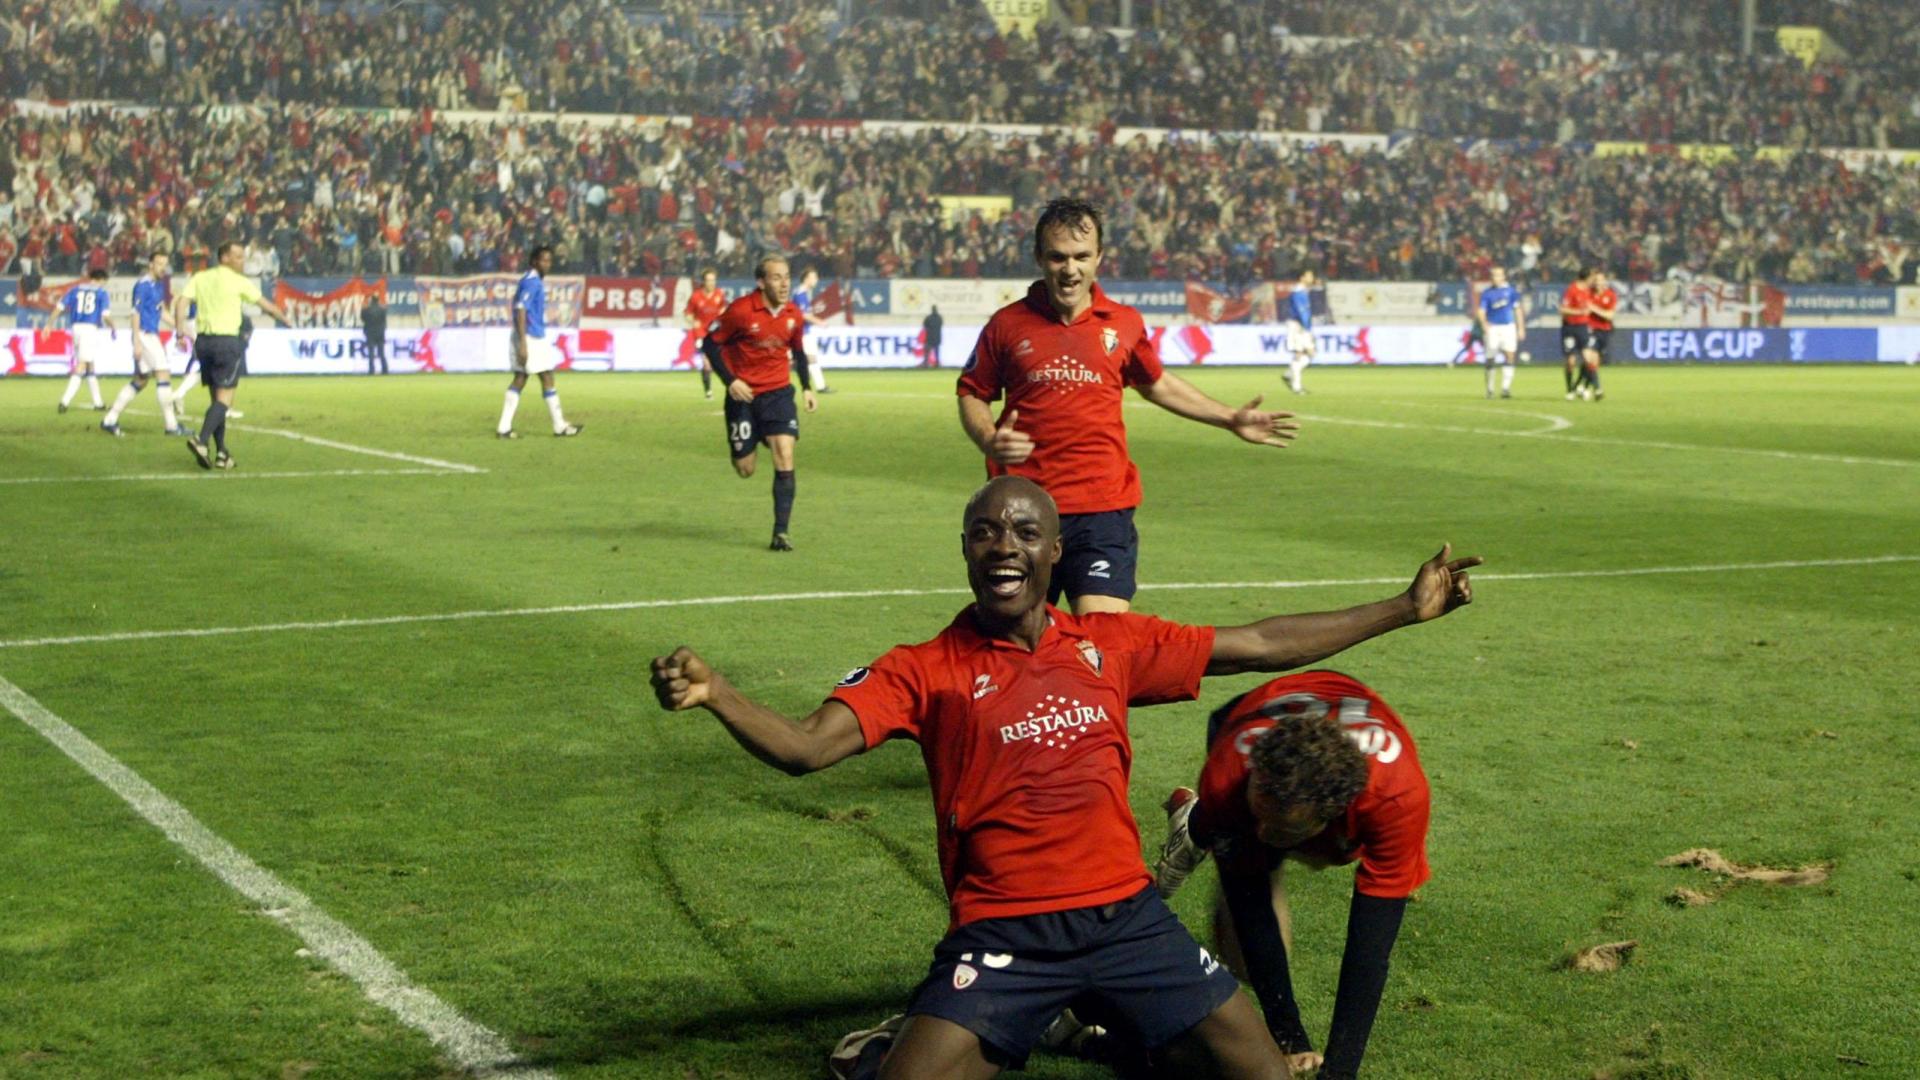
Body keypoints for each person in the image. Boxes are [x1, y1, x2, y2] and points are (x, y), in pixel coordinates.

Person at [652, 477, 1480, 1080]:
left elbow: (1260, 644)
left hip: (1128, 922)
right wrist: (717, 694)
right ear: (968, 551)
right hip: (1006, 931)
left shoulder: (1107, 646)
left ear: (1054, 550)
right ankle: (897, 1052)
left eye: (1021, 531)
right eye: (984, 531)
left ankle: (1095, 1030)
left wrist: (1402, 609)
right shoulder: (923, 669)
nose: (1002, 544)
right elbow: (805, 747)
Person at [956, 197, 1298, 616]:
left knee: (1104, 637)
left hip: (1103, 507)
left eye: (1082, 256)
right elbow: (972, 391)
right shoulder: (1007, 325)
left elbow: (1155, 383)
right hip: (1024, 510)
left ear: (1099, 257)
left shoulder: (1123, 322)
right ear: (1039, 258)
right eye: (1058, 257)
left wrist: (1229, 418)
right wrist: (989, 439)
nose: (1070, 269)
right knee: (1014, 638)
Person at [1155, 671, 1431, 1080]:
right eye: (1259, 815)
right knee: (1247, 948)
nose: (1264, 834)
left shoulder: (1396, 798)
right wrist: (1290, 1040)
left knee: (1266, 846)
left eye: (1281, 831)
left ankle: (1201, 827)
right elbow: (1252, 908)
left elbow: (1369, 950)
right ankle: (1196, 824)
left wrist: (1338, 1072)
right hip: (1244, 720)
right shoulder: (1230, 775)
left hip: (1334, 767)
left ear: (1332, 819)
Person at [703, 254, 818, 551]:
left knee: (785, 453)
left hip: (778, 393)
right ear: (761, 282)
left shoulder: (793, 314)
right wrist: (731, 381)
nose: (784, 283)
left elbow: (799, 352)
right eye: (776, 277)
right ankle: (755, 436)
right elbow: (710, 344)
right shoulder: (741, 311)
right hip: (743, 396)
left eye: (786, 277)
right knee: (745, 468)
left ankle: (781, 533)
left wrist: (806, 387)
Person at [176, 240, 292, 470]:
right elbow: (266, 306)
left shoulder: (200, 278)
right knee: (224, 401)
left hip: (204, 343)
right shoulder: (239, 282)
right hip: (227, 342)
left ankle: (222, 453)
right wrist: (286, 320)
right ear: (224, 258)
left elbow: (183, 301)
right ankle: (201, 441)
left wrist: (180, 328)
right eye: (238, 256)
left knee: (216, 401)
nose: (242, 261)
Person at [497, 244, 583, 438]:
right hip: (530, 336)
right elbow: (520, 309)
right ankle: (559, 426)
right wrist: (523, 343)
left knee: (526, 378)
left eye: (549, 260)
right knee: (542, 377)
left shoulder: (530, 280)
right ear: (534, 261)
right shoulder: (532, 282)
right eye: (544, 260)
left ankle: (505, 427)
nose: (548, 264)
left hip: (530, 335)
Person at [101, 251, 189, 437]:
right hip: (145, 336)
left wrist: (184, 330)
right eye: (159, 264)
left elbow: (163, 314)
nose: (163, 268)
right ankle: (171, 426)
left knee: (140, 381)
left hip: (149, 335)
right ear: (151, 265)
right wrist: (136, 342)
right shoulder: (142, 285)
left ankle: (110, 419)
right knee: (163, 374)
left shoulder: (157, 286)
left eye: (165, 264)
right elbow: (135, 313)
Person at [57, 268, 112, 414]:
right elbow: (105, 315)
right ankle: (64, 401)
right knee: (82, 365)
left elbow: (60, 306)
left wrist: (49, 324)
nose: (103, 285)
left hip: (75, 328)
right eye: (103, 282)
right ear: (100, 280)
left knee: (89, 366)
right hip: (89, 328)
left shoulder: (75, 290)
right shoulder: (101, 293)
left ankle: (98, 403)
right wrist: (113, 326)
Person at [1475, 266, 1524, 399]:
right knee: (1490, 358)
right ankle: (1490, 389)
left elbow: (1518, 310)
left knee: (1510, 356)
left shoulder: (1511, 292)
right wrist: (1484, 323)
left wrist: (1521, 328)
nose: (1494, 278)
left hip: (1508, 327)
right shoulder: (1487, 293)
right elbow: (1481, 310)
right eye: (1493, 275)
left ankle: (1505, 389)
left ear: (1503, 277)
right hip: (1493, 328)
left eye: (1497, 275)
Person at [683, 267, 727, 399]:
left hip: (716, 333)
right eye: (709, 280)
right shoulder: (696, 296)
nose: (711, 283)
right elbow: (688, 313)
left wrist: (722, 317)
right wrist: (693, 322)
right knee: (707, 363)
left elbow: (723, 309)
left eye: (713, 280)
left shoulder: (719, 294)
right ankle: (708, 391)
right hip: (701, 334)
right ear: (703, 282)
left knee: (721, 362)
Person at [792, 265, 833, 393]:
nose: (816, 280)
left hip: (802, 331)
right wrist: (820, 322)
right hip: (801, 331)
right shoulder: (800, 294)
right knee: (809, 358)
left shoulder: (800, 293)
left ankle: (819, 386)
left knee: (809, 358)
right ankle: (819, 386)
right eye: (814, 277)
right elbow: (804, 315)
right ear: (806, 279)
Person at [1558, 269, 1593, 401]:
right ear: (1587, 277)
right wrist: (1580, 312)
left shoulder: (1587, 291)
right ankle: (1569, 389)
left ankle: (1578, 386)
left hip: (1583, 328)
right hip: (1570, 328)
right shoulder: (1572, 290)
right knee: (1571, 361)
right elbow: (1563, 309)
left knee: (1588, 359)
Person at [1580, 268, 1614, 402]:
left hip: (1604, 331)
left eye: (1600, 280)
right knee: (1590, 358)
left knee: (1594, 362)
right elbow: (1584, 311)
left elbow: (1610, 315)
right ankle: (1598, 389)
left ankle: (1583, 387)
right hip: (1590, 330)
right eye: (1596, 280)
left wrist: (1594, 309)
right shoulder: (1589, 294)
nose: (1598, 283)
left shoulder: (1610, 295)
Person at [1284, 271, 1318, 395]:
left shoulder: (1303, 291)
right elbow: (1301, 311)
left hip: (1301, 325)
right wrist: (1306, 328)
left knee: (1310, 354)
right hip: (1297, 325)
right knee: (1301, 353)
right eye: (1309, 276)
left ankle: (1288, 374)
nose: (1312, 278)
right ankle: (1296, 387)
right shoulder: (1298, 292)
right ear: (1302, 277)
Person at [361, 293, 388, 375]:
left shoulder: (366, 310)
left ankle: (371, 370)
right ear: (378, 300)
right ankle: (385, 370)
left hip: (370, 333)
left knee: (371, 353)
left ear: (371, 300)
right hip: (380, 333)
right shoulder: (382, 310)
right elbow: (384, 321)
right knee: (381, 353)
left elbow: (363, 318)